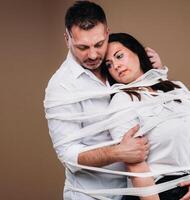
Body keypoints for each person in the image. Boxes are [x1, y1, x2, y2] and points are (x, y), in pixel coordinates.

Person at [44, 1, 163, 200]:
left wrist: (153, 74)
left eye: (99, 44)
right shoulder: (61, 87)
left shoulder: (118, 65)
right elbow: (68, 155)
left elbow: (152, 103)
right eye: (82, 47)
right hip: (92, 196)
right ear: (67, 39)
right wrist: (118, 152)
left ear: (107, 33)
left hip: (135, 191)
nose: (92, 54)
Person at [100, 33, 190, 200]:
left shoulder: (178, 89)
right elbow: (135, 166)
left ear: (137, 52)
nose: (116, 66)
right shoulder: (122, 101)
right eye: (109, 65)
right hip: (154, 194)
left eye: (119, 56)